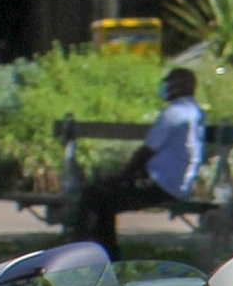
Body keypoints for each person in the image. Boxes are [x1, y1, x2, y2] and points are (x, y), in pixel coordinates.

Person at [70, 67, 204, 258]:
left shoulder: (174, 113)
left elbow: (146, 152)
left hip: (160, 185)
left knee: (94, 195)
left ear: (177, 87)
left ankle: (82, 251)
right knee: (106, 198)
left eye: (169, 83)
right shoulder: (194, 112)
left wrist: (123, 175)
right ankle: (107, 253)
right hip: (177, 185)